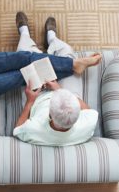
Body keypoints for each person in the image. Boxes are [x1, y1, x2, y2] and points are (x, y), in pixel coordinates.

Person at [13, 11, 99, 146]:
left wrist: (30, 101)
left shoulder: (34, 129)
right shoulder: (88, 125)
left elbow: (18, 129)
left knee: (24, 55)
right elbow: (88, 110)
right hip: (65, 92)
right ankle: (52, 39)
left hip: (36, 97)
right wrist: (59, 90)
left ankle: (25, 34)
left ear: (50, 116)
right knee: (67, 53)